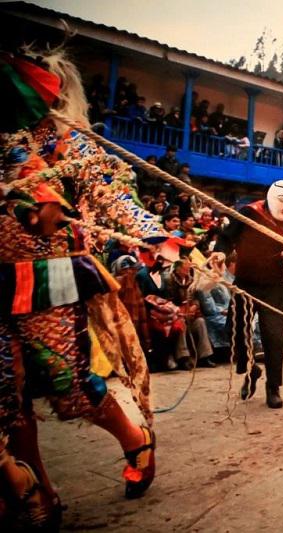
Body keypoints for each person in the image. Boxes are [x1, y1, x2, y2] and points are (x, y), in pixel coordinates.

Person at [0, 47, 158, 528]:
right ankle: (37, 491)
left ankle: (135, 438)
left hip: (49, 277)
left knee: (67, 386)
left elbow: (111, 194)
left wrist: (154, 232)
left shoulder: (70, 142)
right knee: (8, 395)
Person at [216, 180, 283, 408]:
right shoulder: (249, 212)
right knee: (235, 331)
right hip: (245, 282)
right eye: (282, 200)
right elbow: (226, 236)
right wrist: (220, 253)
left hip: (274, 286)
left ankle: (273, 387)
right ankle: (251, 369)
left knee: (274, 337)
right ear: (271, 196)